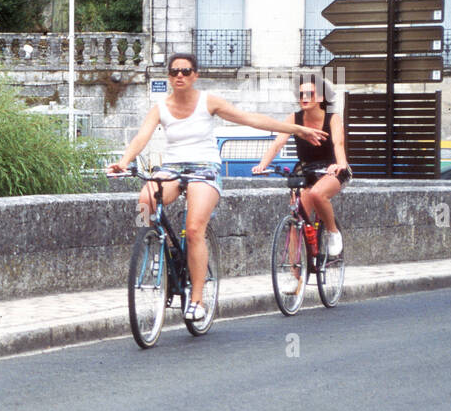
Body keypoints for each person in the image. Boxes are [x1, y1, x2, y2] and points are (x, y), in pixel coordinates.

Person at [106, 53, 328, 323]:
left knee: (195, 227)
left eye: (186, 71)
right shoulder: (160, 108)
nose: (180, 76)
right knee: (145, 198)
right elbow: (141, 137)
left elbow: (249, 119)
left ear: (195, 75)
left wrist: (297, 129)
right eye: (175, 71)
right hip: (173, 167)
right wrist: (123, 162)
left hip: (205, 168)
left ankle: (197, 299)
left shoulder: (207, 102)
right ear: (168, 76)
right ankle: (153, 240)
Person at [252, 75, 350, 290]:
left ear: (321, 97)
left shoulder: (332, 118)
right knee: (297, 221)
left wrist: (340, 165)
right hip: (306, 169)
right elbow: (278, 143)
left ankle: (333, 233)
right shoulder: (293, 118)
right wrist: (262, 165)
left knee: (317, 194)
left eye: (310, 94)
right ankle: (297, 276)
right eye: (301, 94)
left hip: (331, 168)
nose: (305, 98)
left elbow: (338, 144)